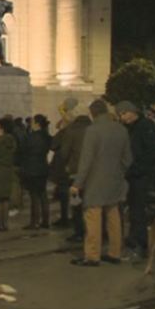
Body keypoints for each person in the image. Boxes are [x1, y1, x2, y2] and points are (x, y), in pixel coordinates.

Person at [70, 100, 132, 267]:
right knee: (114, 216)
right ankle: (115, 252)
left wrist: (78, 183)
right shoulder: (121, 130)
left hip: (95, 182)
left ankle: (92, 255)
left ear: (93, 113)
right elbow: (127, 158)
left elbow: (86, 161)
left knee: (93, 218)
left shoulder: (92, 131)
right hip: (115, 180)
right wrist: (119, 172)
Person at [116, 101, 155, 260]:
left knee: (138, 210)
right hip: (131, 174)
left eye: (123, 114)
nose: (122, 118)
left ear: (131, 111)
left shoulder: (146, 126)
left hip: (142, 176)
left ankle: (140, 245)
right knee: (134, 210)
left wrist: (138, 170)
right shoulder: (128, 128)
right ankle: (134, 241)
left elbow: (150, 151)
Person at [61, 103, 93, 243]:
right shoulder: (93, 128)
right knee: (92, 204)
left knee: (77, 203)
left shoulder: (71, 130)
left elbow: (64, 153)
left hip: (75, 171)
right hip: (93, 172)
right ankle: (94, 231)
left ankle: (79, 231)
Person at [20, 115, 53, 230]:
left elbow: (24, 150)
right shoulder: (47, 137)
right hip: (43, 166)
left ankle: (35, 221)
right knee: (43, 194)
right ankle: (45, 219)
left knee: (34, 196)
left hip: (33, 168)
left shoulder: (32, 137)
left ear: (37, 124)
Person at [49, 99, 78, 228]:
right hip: (73, 168)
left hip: (64, 168)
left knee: (64, 195)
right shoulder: (78, 132)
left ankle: (66, 217)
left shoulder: (65, 133)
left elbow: (54, 145)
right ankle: (72, 218)